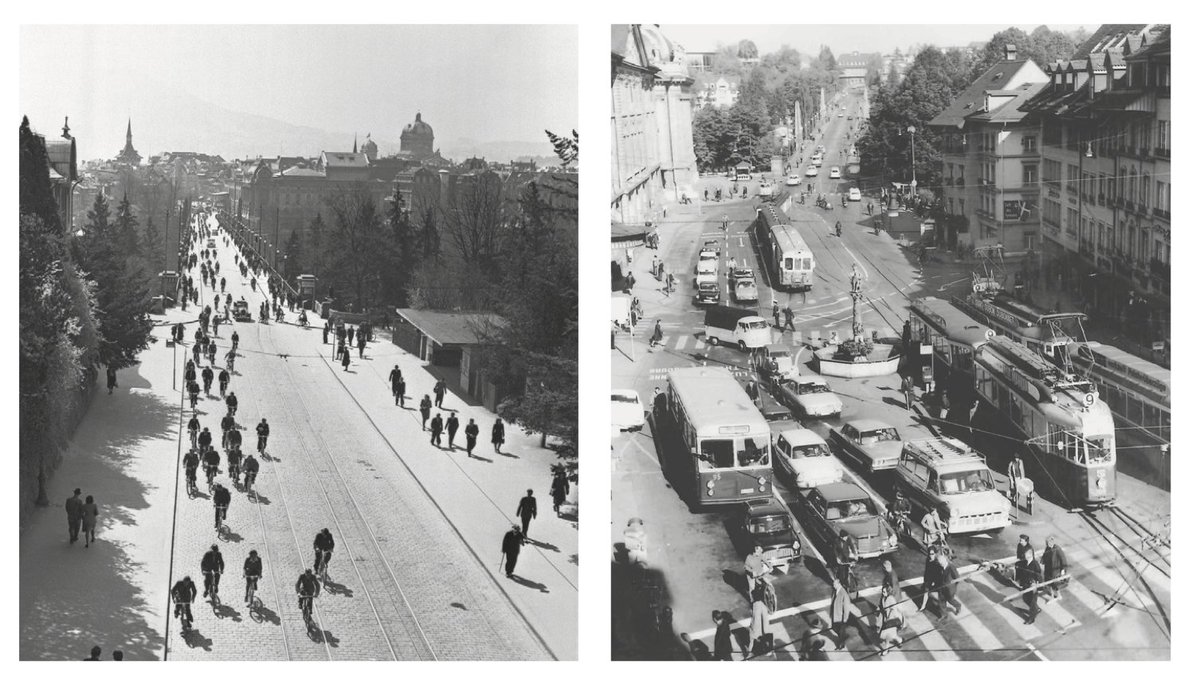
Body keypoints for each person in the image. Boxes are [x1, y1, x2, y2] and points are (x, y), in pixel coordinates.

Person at [749, 576, 776, 654]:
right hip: (763, 606)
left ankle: (749, 652)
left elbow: (753, 625)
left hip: (757, 607)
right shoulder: (766, 588)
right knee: (765, 628)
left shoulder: (755, 601)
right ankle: (769, 649)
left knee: (754, 632)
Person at [1016, 546, 1043, 624]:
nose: (1024, 555)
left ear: (1030, 554)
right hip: (1026, 585)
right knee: (1025, 598)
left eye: (1025, 554)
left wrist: (1036, 585)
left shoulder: (1035, 564)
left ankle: (1031, 618)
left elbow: (1039, 576)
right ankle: (1036, 609)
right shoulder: (1025, 562)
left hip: (1033, 587)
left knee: (1032, 602)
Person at [877, 585, 904, 655]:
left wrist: (888, 618)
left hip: (891, 620)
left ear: (888, 592)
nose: (882, 593)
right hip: (886, 619)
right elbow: (881, 606)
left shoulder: (891, 599)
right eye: (882, 591)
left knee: (887, 635)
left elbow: (893, 609)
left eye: (884, 592)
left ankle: (886, 649)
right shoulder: (883, 598)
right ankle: (900, 640)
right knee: (892, 634)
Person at [829, 577, 855, 651]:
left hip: (840, 616)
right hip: (835, 614)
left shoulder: (843, 593)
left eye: (834, 584)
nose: (833, 585)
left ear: (839, 584)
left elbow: (846, 606)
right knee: (834, 628)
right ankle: (843, 636)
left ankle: (841, 645)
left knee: (840, 630)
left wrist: (845, 617)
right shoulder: (835, 591)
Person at [936, 551, 962, 617]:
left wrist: (952, 586)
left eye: (942, 562)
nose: (941, 564)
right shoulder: (940, 567)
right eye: (939, 563)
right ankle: (944, 615)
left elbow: (957, 578)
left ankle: (958, 606)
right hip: (942, 588)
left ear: (945, 560)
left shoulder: (951, 567)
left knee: (950, 600)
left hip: (950, 590)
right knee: (941, 601)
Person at [1041, 536, 1067, 601]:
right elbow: (1045, 555)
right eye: (1046, 543)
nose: (1047, 544)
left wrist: (1063, 570)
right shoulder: (1047, 548)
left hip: (1055, 570)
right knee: (1050, 583)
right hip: (1048, 569)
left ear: (1052, 542)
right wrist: (1042, 560)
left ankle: (1056, 596)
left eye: (1048, 543)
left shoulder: (1057, 549)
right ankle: (1055, 596)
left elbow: (1063, 560)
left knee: (1054, 584)